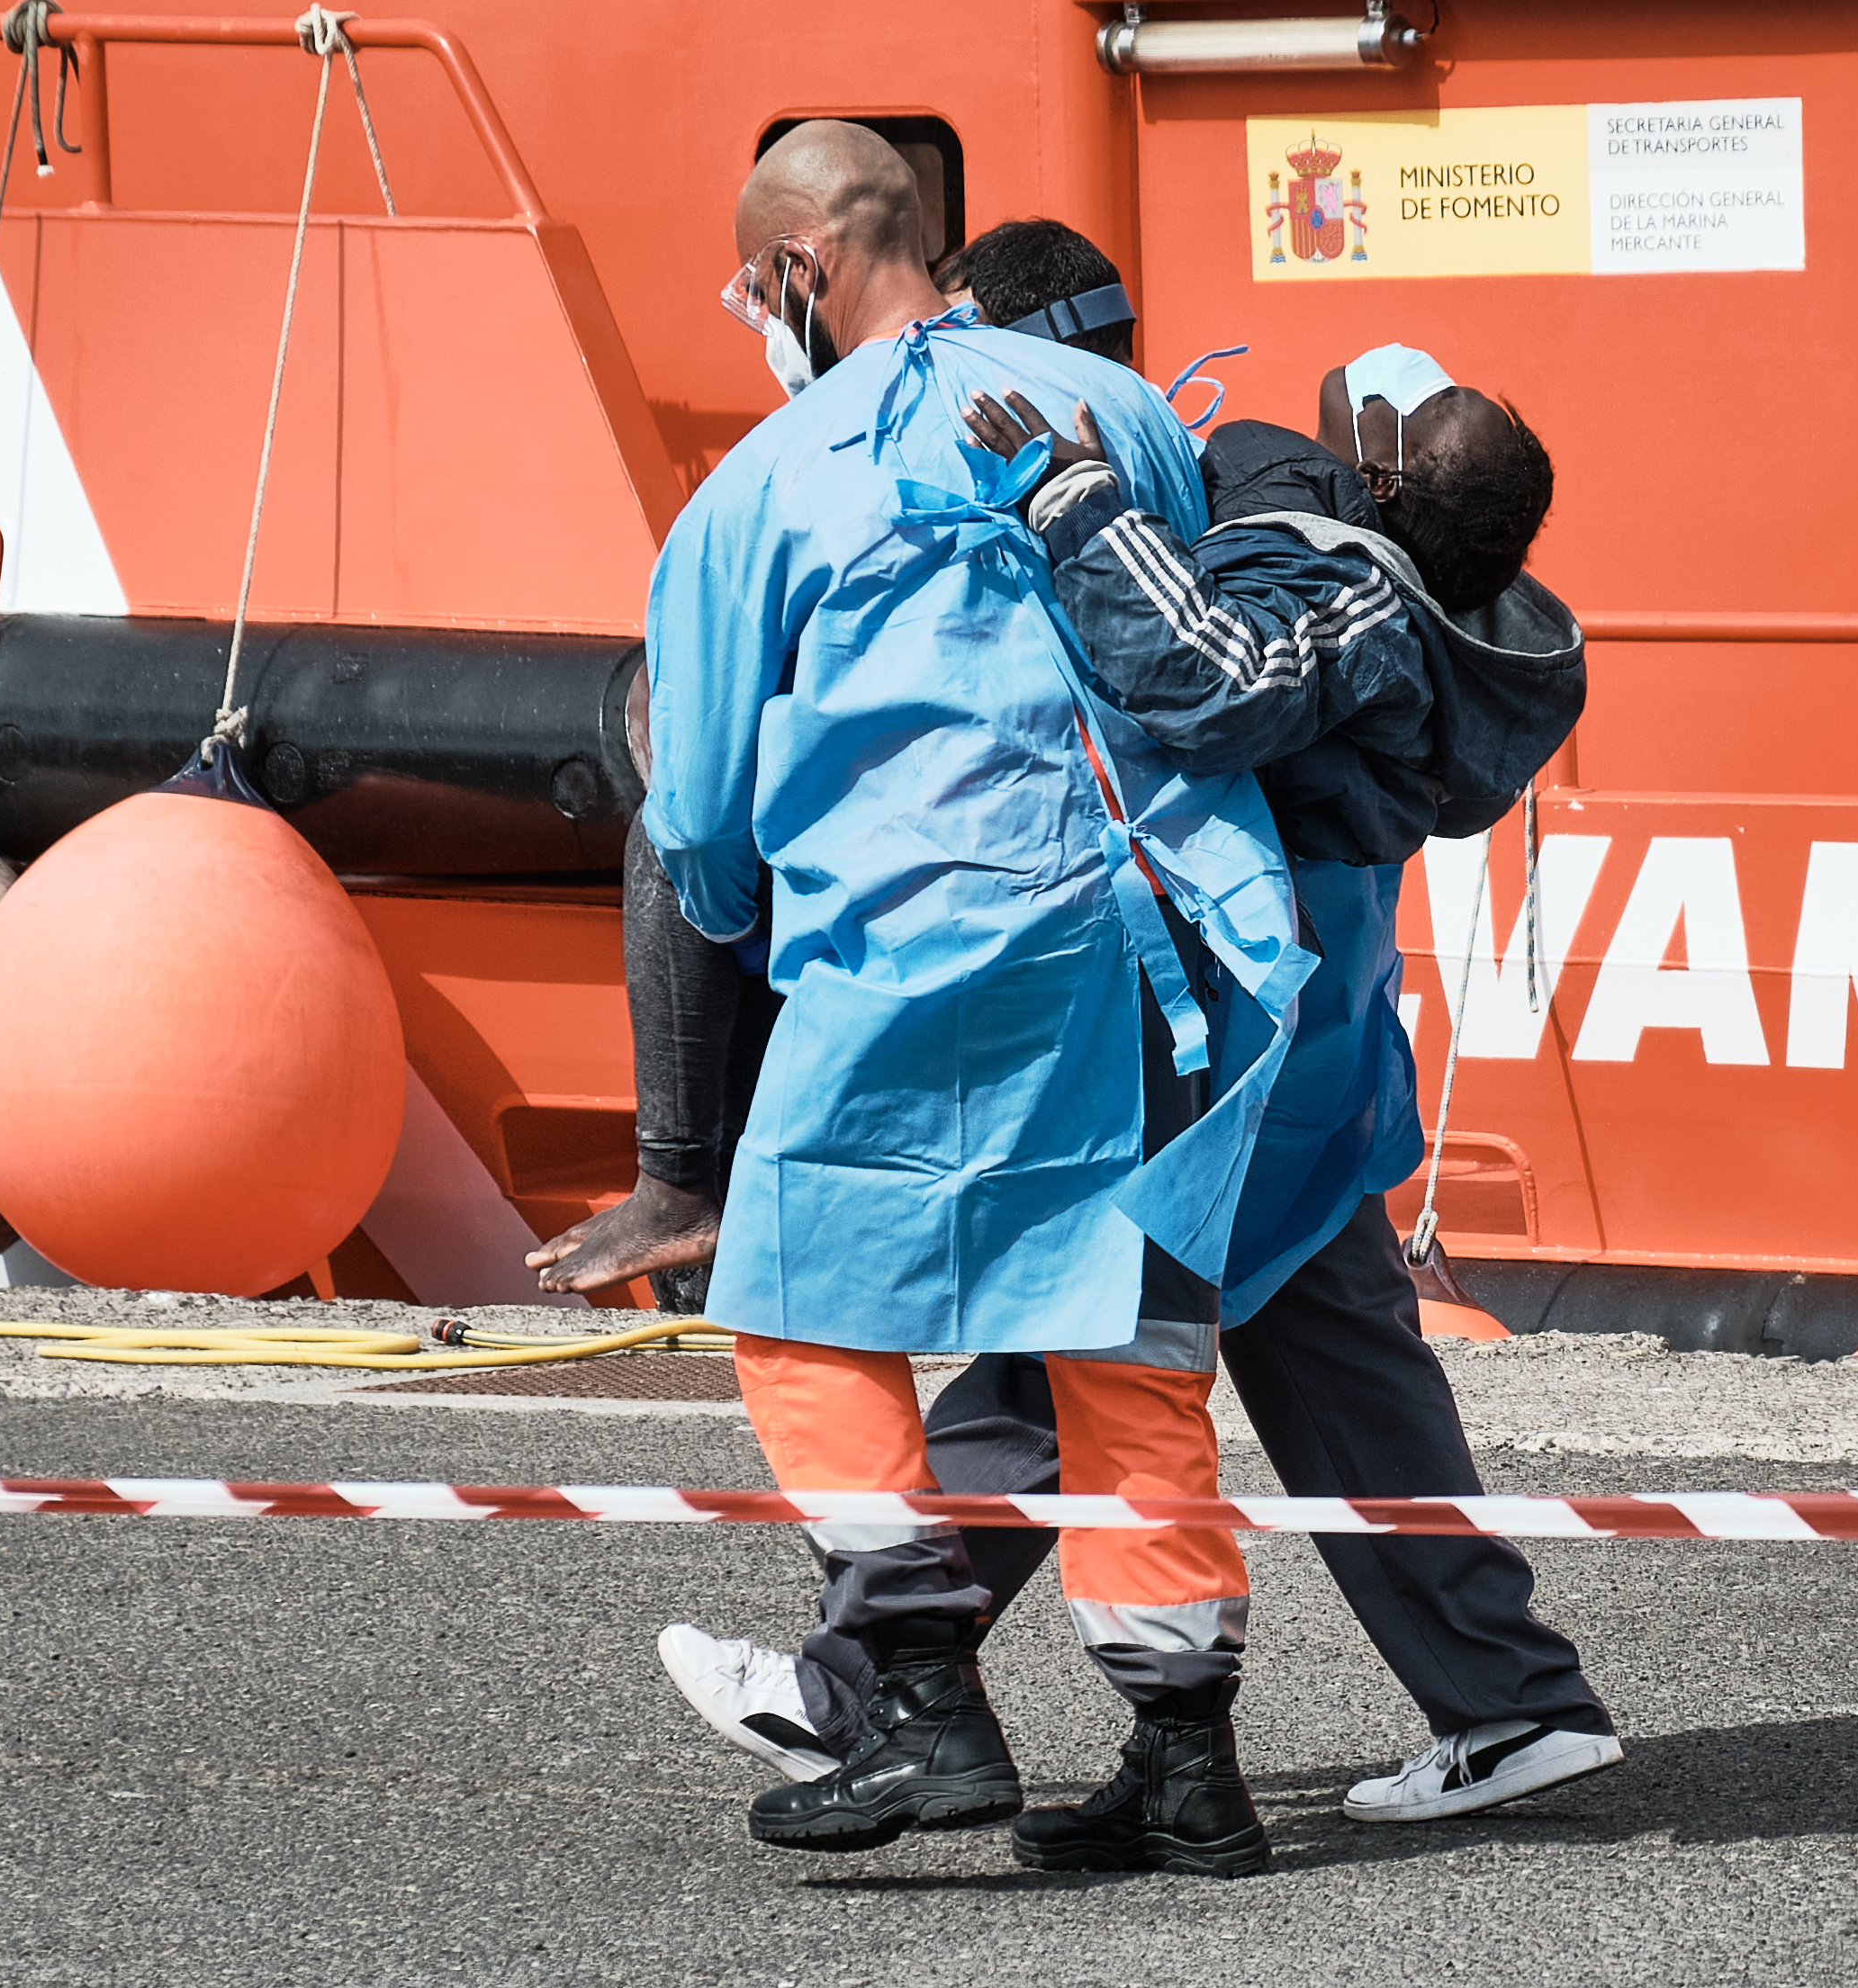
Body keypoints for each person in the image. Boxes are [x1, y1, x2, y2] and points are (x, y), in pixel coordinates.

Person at [658, 229, 1622, 1830]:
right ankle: (1506, 1698)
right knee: (1326, 1370)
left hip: (1219, 1018)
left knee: (1070, 1354)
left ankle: (860, 1691)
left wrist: (1070, 501)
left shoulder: (1320, 587)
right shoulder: (1449, 621)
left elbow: (1196, 683)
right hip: (1313, 1038)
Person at [640, 129, 1315, 1877]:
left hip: (912, 945)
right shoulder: (1130, 416)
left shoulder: (757, 489)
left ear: (795, 270)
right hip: (1161, 948)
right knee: (1132, 1349)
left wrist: (725, 927)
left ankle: (925, 1708)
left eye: (747, 288)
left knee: (791, 1299)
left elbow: (699, 814)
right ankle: (1185, 1767)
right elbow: (1167, 650)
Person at [524, 215, 1138, 1307]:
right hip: (1123, 919)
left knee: (687, 840)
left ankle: (678, 1183)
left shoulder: (818, 459)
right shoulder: (1154, 438)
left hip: (927, 904)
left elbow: (705, 806)